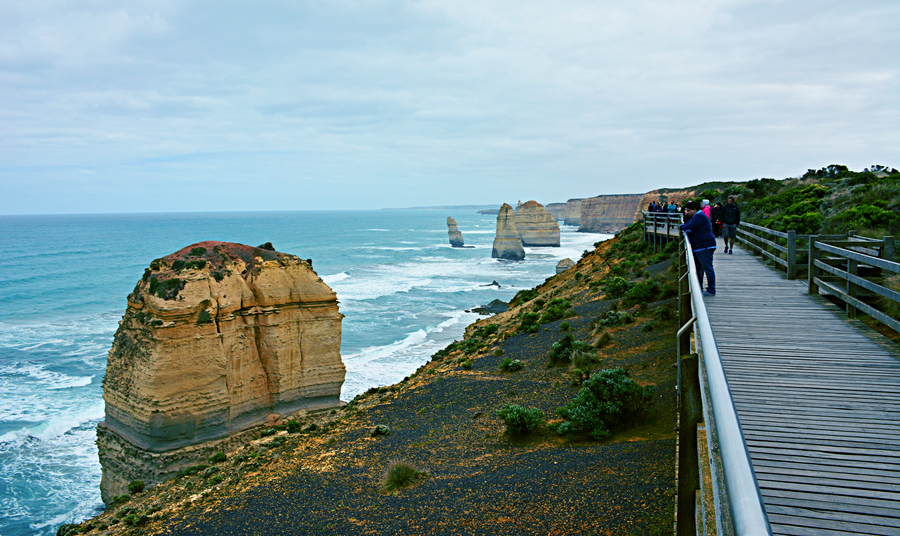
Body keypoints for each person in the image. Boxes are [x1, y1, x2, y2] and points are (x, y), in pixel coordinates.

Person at [680, 201, 716, 296]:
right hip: (701, 246)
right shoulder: (697, 216)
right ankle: (699, 287)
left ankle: (711, 290)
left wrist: (682, 226)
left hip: (704, 246)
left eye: (688, 210)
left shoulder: (699, 216)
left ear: (694, 210)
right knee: (699, 269)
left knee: (707, 268)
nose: (686, 212)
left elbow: (688, 226)